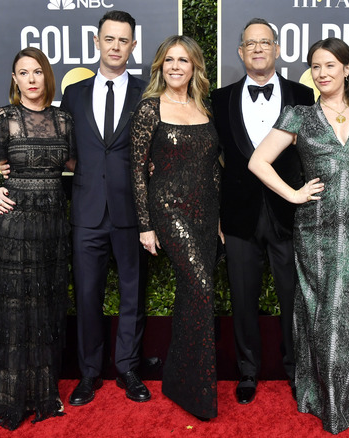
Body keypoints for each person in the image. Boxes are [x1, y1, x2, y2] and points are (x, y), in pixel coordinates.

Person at [248, 37, 349, 434]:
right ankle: (327, 395)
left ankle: (345, 389)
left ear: (347, 68)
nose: (322, 73)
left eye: (330, 65)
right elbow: (257, 161)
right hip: (315, 227)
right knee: (322, 307)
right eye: (315, 67)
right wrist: (293, 193)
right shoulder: (298, 116)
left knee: (344, 302)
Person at [0, 47, 75, 430]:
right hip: (15, 226)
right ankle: (8, 395)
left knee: (46, 305)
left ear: (46, 76)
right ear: (15, 80)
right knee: (14, 308)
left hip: (53, 225)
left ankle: (42, 391)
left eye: (37, 71)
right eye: (23, 73)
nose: (32, 79)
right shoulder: (3, 118)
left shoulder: (63, 120)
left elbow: (75, 164)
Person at [210, 18, 314, 404]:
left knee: (293, 298)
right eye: (250, 44)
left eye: (265, 43)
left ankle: (294, 369)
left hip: (289, 213)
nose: (257, 49)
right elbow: (209, 160)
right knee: (242, 297)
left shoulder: (304, 96)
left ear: (277, 50)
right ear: (240, 53)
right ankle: (248, 371)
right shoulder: (219, 100)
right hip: (237, 216)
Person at [60, 10, 150, 406]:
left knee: (133, 293)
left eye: (123, 40)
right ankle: (88, 373)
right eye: (109, 39)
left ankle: (128, 369)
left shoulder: (147, 94)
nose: (115, 46)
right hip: (86, 211)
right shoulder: (73, 94)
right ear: (96, 43)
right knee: (87, 294)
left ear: (133, 45)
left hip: (132, 212)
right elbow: (63, 151)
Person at [130, 35, 221, 420]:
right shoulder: (150, 109)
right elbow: (136, 169)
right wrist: (146, 226)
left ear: (194, 67)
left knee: (191, 294)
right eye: (169, 60)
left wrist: (217, 220)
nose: (176, 67)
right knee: (200, 288)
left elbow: (213, 167)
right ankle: (197, 391)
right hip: (168, 209)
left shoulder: (204, 106)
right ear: (160, 67)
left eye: (183, 61)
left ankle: (178, 379)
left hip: (205, 214)